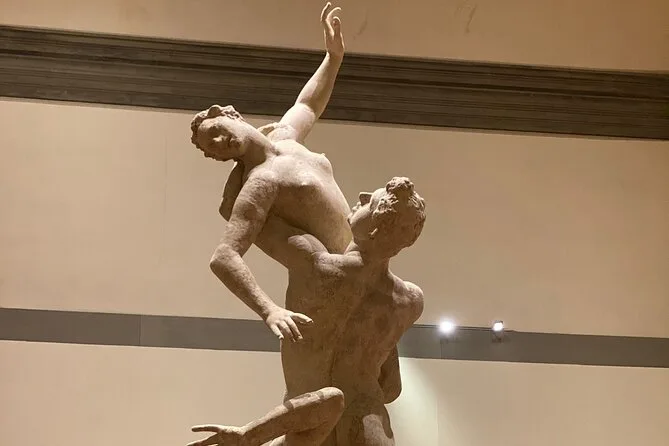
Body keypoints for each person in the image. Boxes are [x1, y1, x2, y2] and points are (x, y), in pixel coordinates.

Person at [187, 177, 427, 446]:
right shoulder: (409, 301)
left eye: (370, 202)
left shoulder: (315, 264)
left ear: (374, 230)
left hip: (307, 422)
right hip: (368, 429)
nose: (361, 195)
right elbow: (391, 388)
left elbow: (233, 209)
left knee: (328, 400)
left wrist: (264, 163)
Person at [189, 2, 350, 343]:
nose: (218, 142)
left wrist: (333, 58)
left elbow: (307, 105)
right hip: (332, 287)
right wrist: (269, 309)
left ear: (230, 114)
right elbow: (224, 257)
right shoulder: (260, 183)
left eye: (215, 131)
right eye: (213, 148)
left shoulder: (285, 136)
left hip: (361, 267)